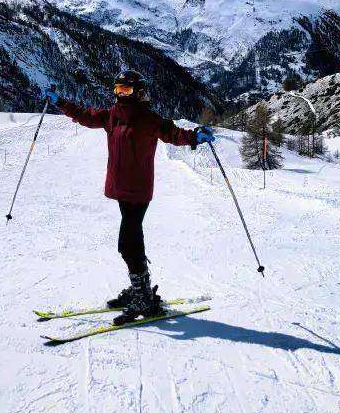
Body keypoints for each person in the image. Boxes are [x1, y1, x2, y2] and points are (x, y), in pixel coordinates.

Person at [42, 70, 215, 324]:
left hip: (138, 191)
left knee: (127, 244)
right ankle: (140, 291)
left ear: (139, 93)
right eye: (118, 90)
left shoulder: (147, 118)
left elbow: (173, 134)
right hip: (121, 189)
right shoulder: (112, 116)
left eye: (127, 90)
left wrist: (195, 136)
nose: (121, 95)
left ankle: (142, 297)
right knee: (133, 242)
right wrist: (60, 102)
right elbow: (85, 116)